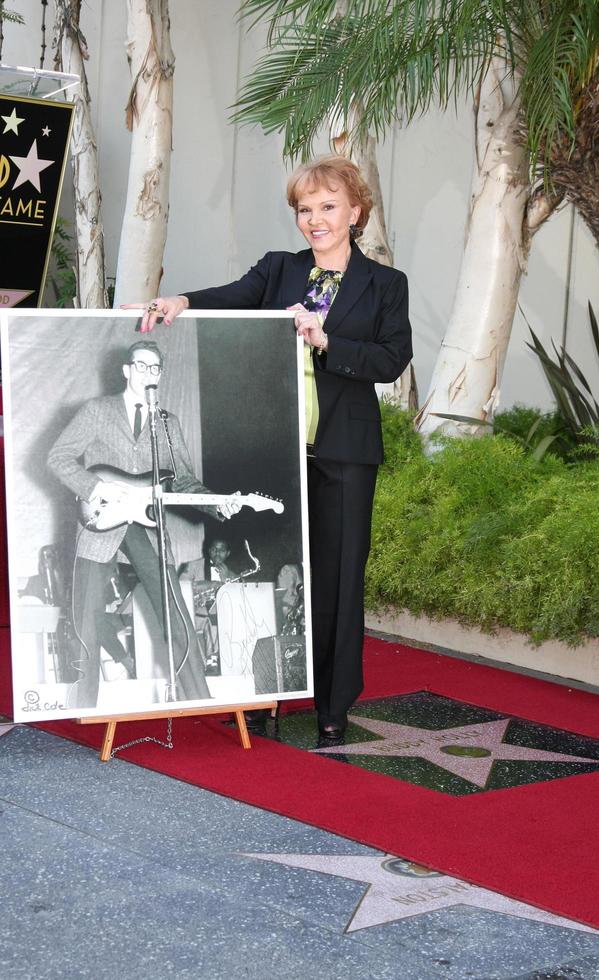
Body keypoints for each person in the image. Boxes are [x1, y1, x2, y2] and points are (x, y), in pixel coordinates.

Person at [124, 155, 412, 747]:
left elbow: (390, 360)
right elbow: (229, 296)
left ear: (355, 212)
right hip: (276, 447)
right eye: (305, 209)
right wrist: (177, 301)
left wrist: (327, 338)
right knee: (268, 572)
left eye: (328, 207)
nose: (315, 220)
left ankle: (332, 707)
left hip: (345, 451)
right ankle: (264, 693)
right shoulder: (278, 270)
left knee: (335, 581)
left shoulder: (386, 284)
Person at [47, 339, 241, 709]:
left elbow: (183, 480)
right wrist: (96, 487)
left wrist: (219, 505)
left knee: (176, 617)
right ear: (126, 370)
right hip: (99, 522)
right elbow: (58, 457)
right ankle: (84, 711)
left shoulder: (167, 424)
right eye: (141, 366)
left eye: (155, 368)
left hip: (147, 526)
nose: (147, 374)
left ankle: (201, 703)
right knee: (85, 622)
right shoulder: (96, 411)